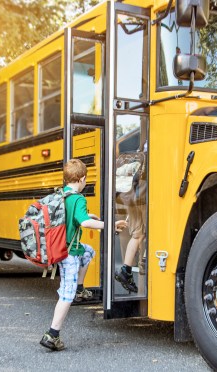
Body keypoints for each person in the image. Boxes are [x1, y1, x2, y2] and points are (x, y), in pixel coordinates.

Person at [40, 158, 126, 352]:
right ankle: (52, 334)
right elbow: (84, 223)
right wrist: (109, 225)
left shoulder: (62, 195)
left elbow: (78, 217)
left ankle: (80, 288)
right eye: (86, 180)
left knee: (88, 251)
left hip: (64, 248)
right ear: (82, 178)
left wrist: (90, 216)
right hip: (69, 254)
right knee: (66, 295)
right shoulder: (79, 198)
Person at [114, 150, 147, 293]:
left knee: (137, 235)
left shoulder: (140, 152)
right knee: (146, 233)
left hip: (132, 197)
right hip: (144, 197)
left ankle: (126, 269)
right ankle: (142, 269)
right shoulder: (153, 151)